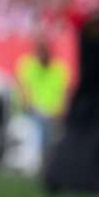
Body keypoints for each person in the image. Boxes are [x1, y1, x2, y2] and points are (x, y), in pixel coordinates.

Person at [15, 35, 69, 171]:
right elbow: (23, 89)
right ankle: (40, 162)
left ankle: (47, 162)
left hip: (53, 114)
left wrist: (60, 110)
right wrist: (29, 105)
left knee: (49, 131)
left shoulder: (58, 68)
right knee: (40, 127)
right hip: (34, 112)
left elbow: (64, 93)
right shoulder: (27, 65)